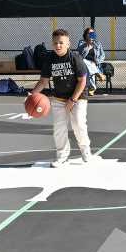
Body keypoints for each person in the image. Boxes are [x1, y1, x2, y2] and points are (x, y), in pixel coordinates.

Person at [33, 29, 94, 167]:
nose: (58, 45)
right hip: (59, 98)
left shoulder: (75, 58)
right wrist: (33, 95)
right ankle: (62, 156)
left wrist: (72, 101)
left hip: (78, 97)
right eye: (55, 43)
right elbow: (43, 81)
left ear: (68, 44)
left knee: (78, 124)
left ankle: (85, 151)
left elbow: (82, 81)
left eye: (61, 43)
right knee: (59, 128)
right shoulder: (49, 59)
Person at [77, 27, 106, 95]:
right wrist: (88, 46)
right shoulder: (81, 43)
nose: (91, 35)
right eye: (89, 33)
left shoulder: (97, 43)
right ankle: (97, 74)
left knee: (89, 69)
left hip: (95, 65)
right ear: (86, 35)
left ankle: (92, 87)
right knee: (84, 62)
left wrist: (97, 61)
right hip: (84, 65)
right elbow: (80, 56)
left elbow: (103, 55)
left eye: (92, 33)